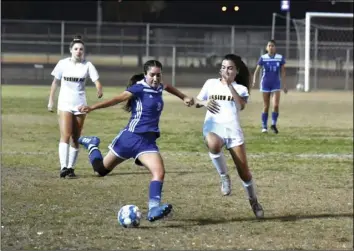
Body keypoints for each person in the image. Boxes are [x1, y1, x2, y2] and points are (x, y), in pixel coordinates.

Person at [77, 60, 194, 222]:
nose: (155, 78)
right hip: (129, 139)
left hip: (147, 143)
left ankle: (153, 209)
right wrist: (92, 107)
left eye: (158, 75)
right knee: (100, 170)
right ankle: (91, 144)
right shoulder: (138, 88)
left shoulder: (159, 86)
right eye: (152, 75)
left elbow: (168, 87)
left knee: (159, 172)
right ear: (145, 74)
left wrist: (184, 97)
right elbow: (117, 99)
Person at [195, 54, 264, 219]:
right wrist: (204, 102)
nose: (226, 70)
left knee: (245, 173)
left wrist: (230, 86)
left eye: (230, 68)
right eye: (224, 67)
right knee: (212, 143)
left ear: (236, 71)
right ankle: (224, 177)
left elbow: (241, 106)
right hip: (214, 128)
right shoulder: (210, 84)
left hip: (232, 131)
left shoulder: (241, 89)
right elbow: (197, 101)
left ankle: (253, 201)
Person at [47, 35, 103, 178]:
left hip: (80, 104)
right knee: (65, 134)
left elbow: (96, 80)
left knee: (75, 137)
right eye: (76, 49)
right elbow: (55, 83)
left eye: (81, 49)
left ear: (84, 51)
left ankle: (71, 168)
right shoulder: (63, 64)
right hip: (65, 103)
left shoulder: (87, 65)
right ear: (71, 50)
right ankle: (63, 167)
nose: (78, 51)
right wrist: (51, 101)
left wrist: (99, 89)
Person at [252, 39, 287, 134]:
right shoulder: (263, 58)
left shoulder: (280, 58)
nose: (271, 47)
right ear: (266, 48)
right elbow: (257, 70)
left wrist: (284, 85)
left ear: (275, 48)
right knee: (266, 106)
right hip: (265, 84)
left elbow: (283, 72)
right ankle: (264, 127)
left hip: (276, 84)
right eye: (269, 46)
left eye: (273, 46)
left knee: (275, 105)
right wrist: (254, 80)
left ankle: (273, 124)